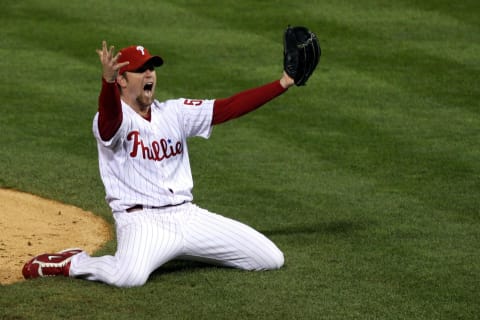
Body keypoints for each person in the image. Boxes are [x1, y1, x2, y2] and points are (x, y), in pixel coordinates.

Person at [22, 40, 297, 288]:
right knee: (129, 277)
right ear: (122, 80)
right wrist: (106, 83)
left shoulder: (175, 112)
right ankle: (74, 263)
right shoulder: (113, 121)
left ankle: (189, 250)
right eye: (141, 69)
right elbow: (109, 121)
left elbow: (228, 107)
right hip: (141, 222)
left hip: (187, 216)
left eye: (152, 67)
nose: (149, 74)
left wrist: (283, 82)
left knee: (270, 258)